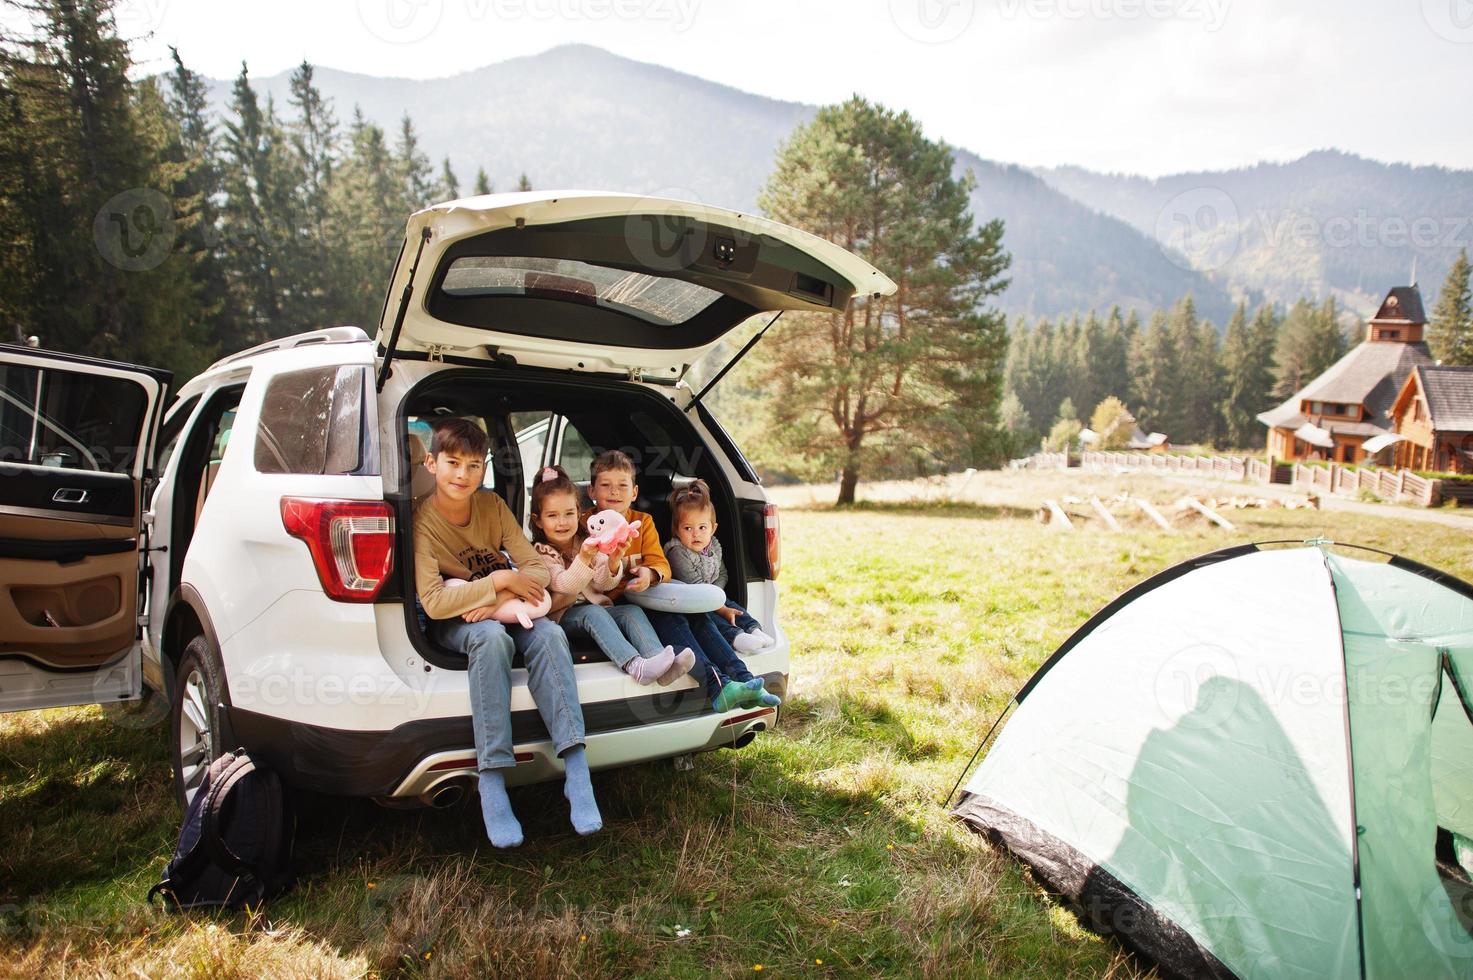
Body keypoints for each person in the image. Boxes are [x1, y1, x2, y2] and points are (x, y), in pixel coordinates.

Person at [413, 418, 600, 847]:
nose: (463, 474)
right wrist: (499, 582)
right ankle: (493, 780)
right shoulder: (422, 522)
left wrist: (508, 590)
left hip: (509, 608)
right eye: (453, 463)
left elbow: (532, 566)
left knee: (552, 635)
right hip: (459, 623)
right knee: (492, 639)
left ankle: (576, 771)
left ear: (484, 469)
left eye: (474, 465)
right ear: (431, 463)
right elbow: (435, 602)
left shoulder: (493, 506)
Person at [585, 449, 778, 712]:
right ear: (591, 492)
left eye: (622, 486)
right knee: (674, 621)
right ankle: (718, 687)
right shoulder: (586, 524)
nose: (614, 492)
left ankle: (746, 681)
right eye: (605, 485)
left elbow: (660, 563)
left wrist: (650, 573)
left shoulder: (643, 522)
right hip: (620, 606)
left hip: (647, 596)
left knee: (699, 617)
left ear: (635, 492)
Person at [527, 464, 695, 685]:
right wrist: (585, 557)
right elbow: (564, 584)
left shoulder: (586, 540)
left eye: (569, 513)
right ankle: (635, 665)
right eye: (552, 515)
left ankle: (659, 663)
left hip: (597, 609)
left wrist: (614, 560)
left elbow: (604, 584)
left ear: (579, 513)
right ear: (538, 520)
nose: (562, 522)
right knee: (593, 614)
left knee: (630, 611)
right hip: (562, 616)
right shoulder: (541, 552)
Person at [665, 479, 776, 654]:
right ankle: (736, 637)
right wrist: (720, 605)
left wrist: (718, 596)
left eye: (702, 527)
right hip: (689, 602)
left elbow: (722, 573)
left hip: (712, 596)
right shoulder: (678, 553)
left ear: (713, 528)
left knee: (735, 607)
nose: (696, 534)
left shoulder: (714, 546)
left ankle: (755, 630)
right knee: (709, 618)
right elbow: (696, 588)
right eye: (688, 528)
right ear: (677, 530)